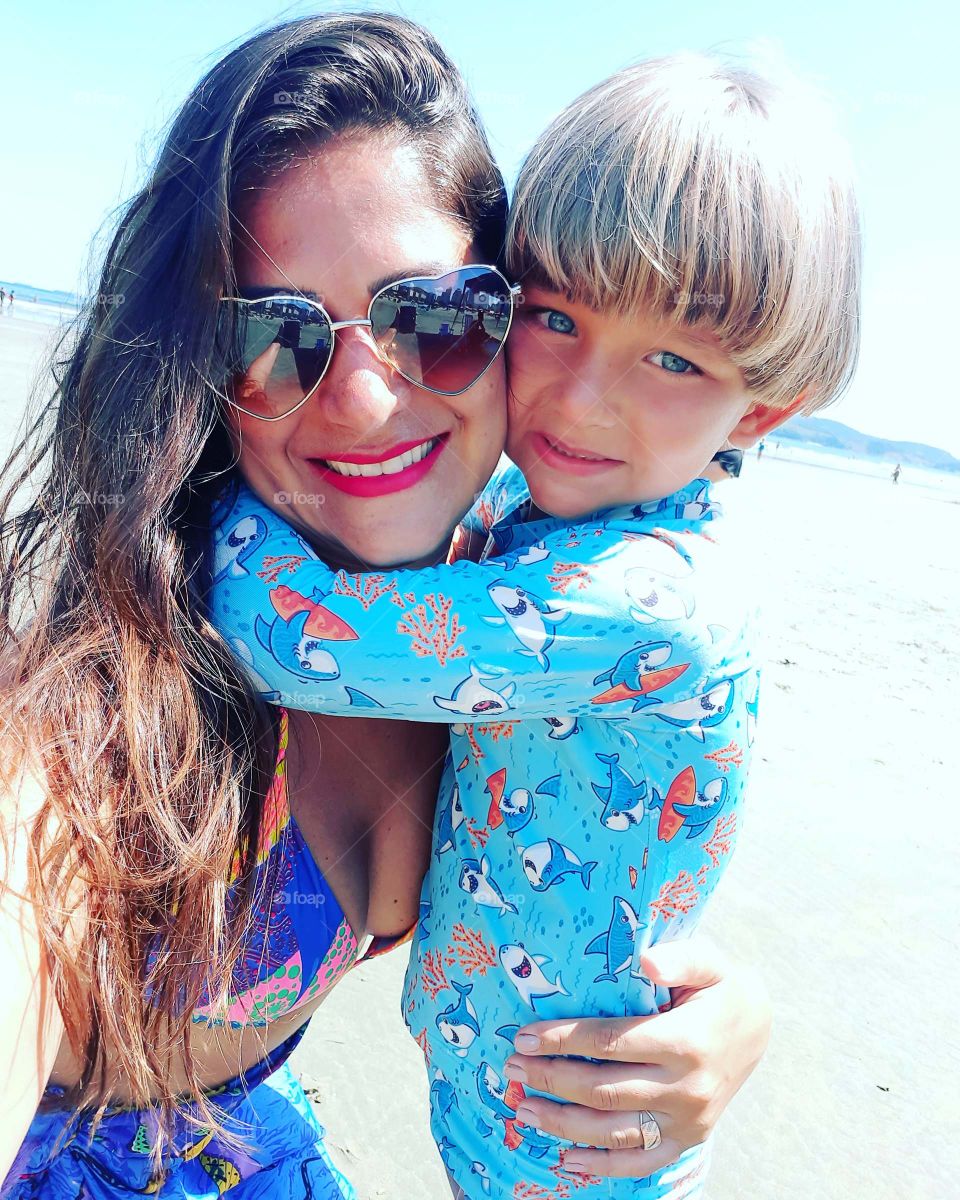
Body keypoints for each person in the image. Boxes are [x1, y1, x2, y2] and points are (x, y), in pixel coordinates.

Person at [0, 14, 771, 1200]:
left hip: (251, 1131)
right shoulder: (92, 732)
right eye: (273, 336)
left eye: (435, 317)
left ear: (522, 321)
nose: (364, 401)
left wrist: (721, 1017)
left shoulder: (511, 616)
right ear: (197, 367)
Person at [208, 51, 860, 1197]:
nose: (579, 394)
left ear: (758, 406)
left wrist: (215, 498)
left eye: (669, 358)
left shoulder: (646, 598)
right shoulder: (544, 514)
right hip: (524, 1099)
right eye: (554, 317)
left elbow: (299, 638)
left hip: (578, 1140)